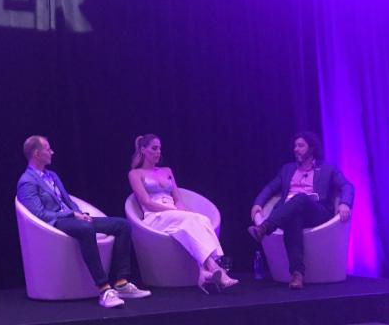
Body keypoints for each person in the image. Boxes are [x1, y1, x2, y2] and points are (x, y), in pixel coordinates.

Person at [17, 135, 151, 308]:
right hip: (56, 223)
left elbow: (67, 200)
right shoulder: (27, 181)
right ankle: (104, 289)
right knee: (86, 229)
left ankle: (121, 283)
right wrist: (72, 215)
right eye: (48, 149)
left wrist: (79, 213)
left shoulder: (52, 175)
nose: (52, 152)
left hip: (73, 218)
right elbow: (39, 214)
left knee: (122, 225)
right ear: (36, 153)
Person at [128, 134, 238, 294]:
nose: (158, 152)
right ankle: (215, 267)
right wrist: (174, 211)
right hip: (155, 216)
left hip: (174, 214)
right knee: (190, 220)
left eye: (159, 148)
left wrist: (185, 211)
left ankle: (205, 270)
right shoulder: (135, 174)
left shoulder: (167, 171)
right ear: (143, 150)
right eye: (154, 148)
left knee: (202, 219)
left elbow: (178, 199)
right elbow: (146, 202)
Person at [248, 131, 354, 289]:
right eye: (295, 146)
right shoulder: (287, 169)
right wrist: (258, 203)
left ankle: (265, 228)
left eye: (300, 146)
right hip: (289, 213)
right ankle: (297, 274)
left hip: (317, 212)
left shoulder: (327, 168)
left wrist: (345, 203)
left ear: (311, 148)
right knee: (293, 217)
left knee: (300, 198)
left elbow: (347, 186)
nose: (296, 149)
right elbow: (270, 188)